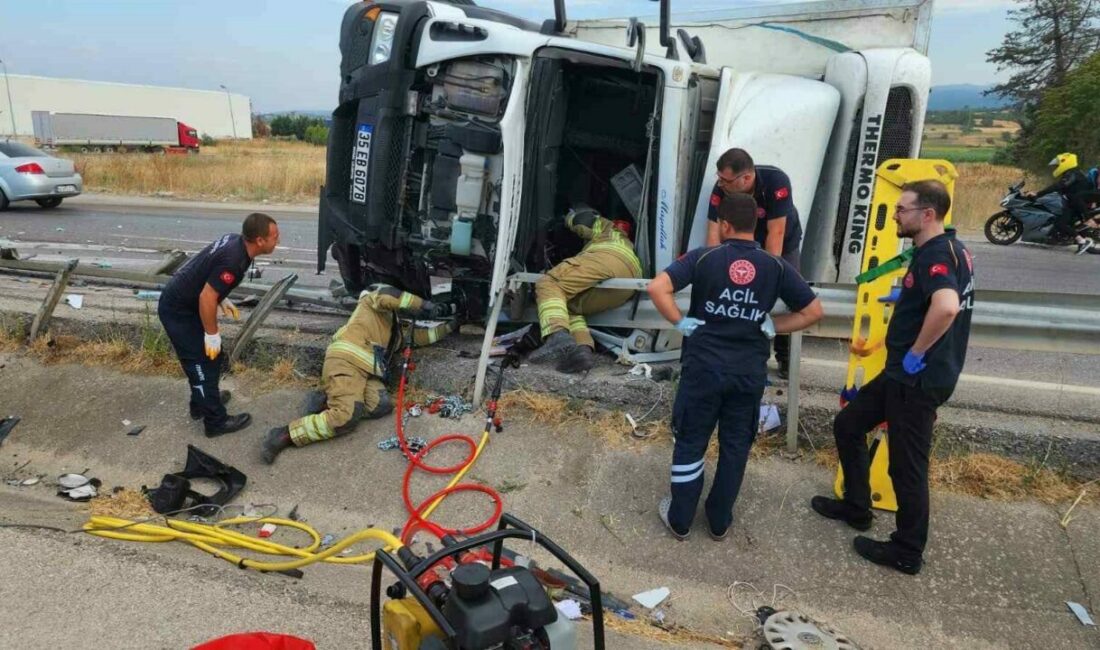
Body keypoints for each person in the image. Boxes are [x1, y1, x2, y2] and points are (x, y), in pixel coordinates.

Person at [811, 179, 974, 576]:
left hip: (917, 380)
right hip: (901, 375)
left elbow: (947, 306)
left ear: (927, 214)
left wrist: (917, 352)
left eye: (902, 210)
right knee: (849, 424)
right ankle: (857, 506)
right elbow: (938, 295)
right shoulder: (950, 249)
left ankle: (906, 550)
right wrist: (910, 298)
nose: (896, 216)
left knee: (907, 467)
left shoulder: (936, 254)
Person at [648, 193, 822, 540]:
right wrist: (775, 325)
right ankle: (719, 521)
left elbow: (658, 288)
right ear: (755, 226)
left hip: (703, 368)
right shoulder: (775, 266)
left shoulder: (704, 257)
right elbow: (814, 311)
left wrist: (679, 322)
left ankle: (680, 519)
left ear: (724, 224)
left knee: (691, 440)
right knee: (735, 446)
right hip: (747, 372)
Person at [262, 284, 453, 463]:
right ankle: (286, 434)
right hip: (346, 361)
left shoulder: (395, 331)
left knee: (381, 405)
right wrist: (424, 305)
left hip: (366, 372)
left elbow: (424, 337)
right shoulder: (370, 303)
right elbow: (389, 295)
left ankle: (327, 400)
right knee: (346, 417)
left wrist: (452, 325)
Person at [158, 213, 279, 436]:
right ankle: (215, 422)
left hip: (189, 302)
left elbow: (207, 270)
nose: (277, 241)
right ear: (260, 240)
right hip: (178, 311)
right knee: (200, 363)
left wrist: (221, 297)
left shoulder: (236, 242)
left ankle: (203, 403)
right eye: (274, 237)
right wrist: (211, 334)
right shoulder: (234, 261)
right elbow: (206, 297)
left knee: (212, 358)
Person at [705, 148, 803, 378]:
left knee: (786, 296)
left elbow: (776, 233)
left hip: (781, 242)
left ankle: (785, 356)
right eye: (719, 178)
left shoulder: (776, 182)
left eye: (726, 180)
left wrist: (767, 276)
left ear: (746, 178)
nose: (720, 183)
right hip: (741, 242)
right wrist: (714, 271)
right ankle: (738, 351)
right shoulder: (721, 188)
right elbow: (713, 234)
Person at [527, 205, 642, 374]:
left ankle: (556, 335)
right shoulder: (627, 245)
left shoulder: (607, 228)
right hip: (628, 282)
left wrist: (567, 218)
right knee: (568, 305)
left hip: (609, 259)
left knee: (549, 282)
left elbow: (583, 220)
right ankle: (581, 352)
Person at [1025, 152, 1100, 254]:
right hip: (1073, 202)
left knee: (1060, 223)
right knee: (1058, 219)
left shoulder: (1073, 173)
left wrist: (1038, 194)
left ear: (1066, 162)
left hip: (1075, 204)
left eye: (1058, 164)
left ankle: (1081, 241)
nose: (1056, 167)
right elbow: (1060, 188)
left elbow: (1058, 186)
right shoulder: (1071, 173)